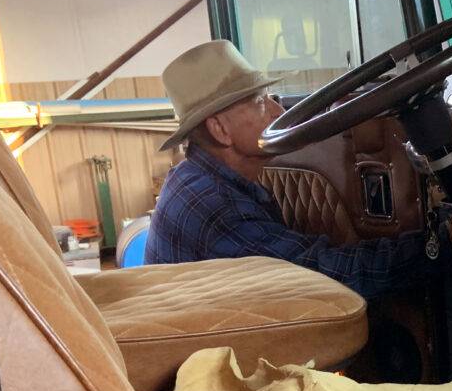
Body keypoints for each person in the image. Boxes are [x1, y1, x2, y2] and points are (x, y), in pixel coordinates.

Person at [145, 40, 426, 299]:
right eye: (259, 102)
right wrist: (432, 248)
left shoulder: (198, 178)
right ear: (220, 130)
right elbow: (322, 278)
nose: (278, 112)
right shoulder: (218, 209)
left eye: (272, 97)